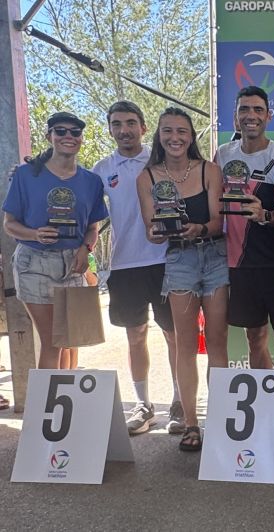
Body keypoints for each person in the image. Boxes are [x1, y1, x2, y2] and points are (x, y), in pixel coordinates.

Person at [136, 107, 228, 452]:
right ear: (159, 136)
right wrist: (160, 232)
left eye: (182, 131)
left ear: (192, 137)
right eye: (168, 131)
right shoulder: (147, 177)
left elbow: (220, 223)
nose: (175, 138)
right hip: (179, 261)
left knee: (217, 343)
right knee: (185, 345)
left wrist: (200, 228)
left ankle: (220, 419)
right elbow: (151, 230)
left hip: (215, 256)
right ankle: (191, 423)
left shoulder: (210, 170)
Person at [93, 101, 181, 435]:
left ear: (144, 128)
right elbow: (73, 188)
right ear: (111, 129)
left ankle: (178, 402)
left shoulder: (160, 161)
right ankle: (144, 405)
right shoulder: (102, 169)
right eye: (117, 124)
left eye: (131, 123)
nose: (124, 130)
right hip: (124, 264)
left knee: (174, 336)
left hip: (164, 260)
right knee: (135, 335)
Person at [2, 111, 107, 369]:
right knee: (52, 341)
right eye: (61, 131)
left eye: (75, 132)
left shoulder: (91, 181)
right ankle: (46, 409)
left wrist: (86, 248)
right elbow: (10, 224)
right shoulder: (26, 175)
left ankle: (65, 401)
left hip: (72, 264)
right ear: (49, 136)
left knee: (70, 341)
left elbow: (93, 227)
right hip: (34, 263)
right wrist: (35, 234)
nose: (68, 136)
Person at [214, 86, 274, 373]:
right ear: (235, 117)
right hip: (239, 262)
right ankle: (265, 404)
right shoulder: (222, 155)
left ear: (269, 116)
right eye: (244, 110)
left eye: (258, 109)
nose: (251, 115)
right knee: (254, 337)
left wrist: (263, 214)